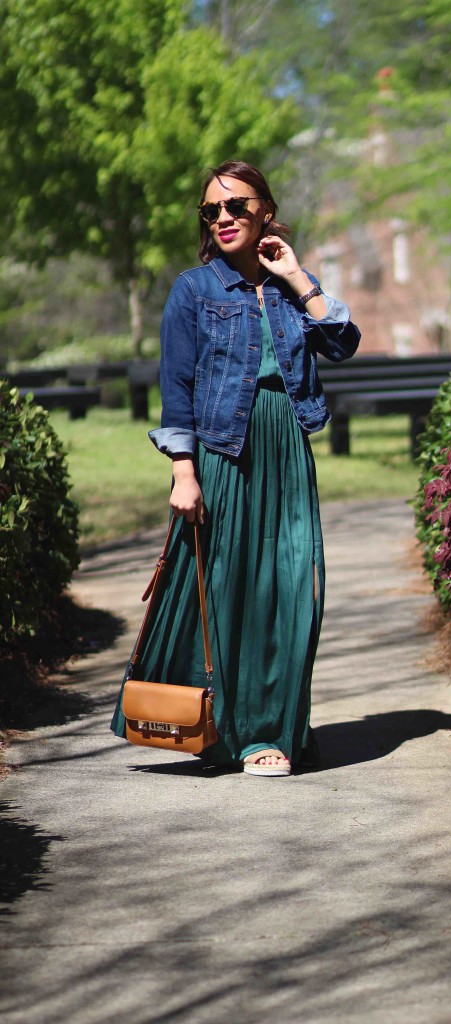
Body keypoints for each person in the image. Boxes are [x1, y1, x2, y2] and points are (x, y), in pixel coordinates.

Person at [110, 160, 360, 776]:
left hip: (286, 450)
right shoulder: (193, 290)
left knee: (292, 588)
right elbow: (179, 388)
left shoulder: (288, 284)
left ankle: (282, 727)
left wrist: (298, 276)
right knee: (232, 590)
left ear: (265, 212)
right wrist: (183, 471)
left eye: (237, 206)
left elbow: (343, 341)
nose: (223, 218)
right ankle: (239, 733)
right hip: (224, 454)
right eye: (211, 211)